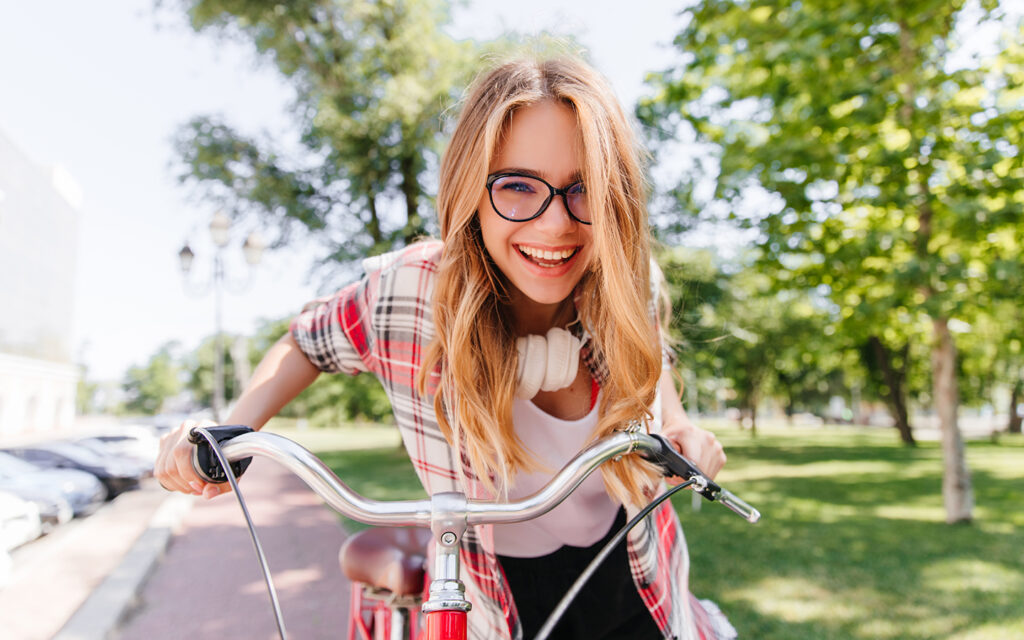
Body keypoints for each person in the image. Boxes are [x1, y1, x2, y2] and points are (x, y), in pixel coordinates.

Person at [156, 53, 733, 640]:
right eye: (516, 186)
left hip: (638, 577)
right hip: (491, 598)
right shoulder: (407, 293)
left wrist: (681, 426)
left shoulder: (627, 279)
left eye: (585, 190)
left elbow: (648, 353)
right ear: (471, 193)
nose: (555, 224)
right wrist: (228, 432)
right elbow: (306, 343)